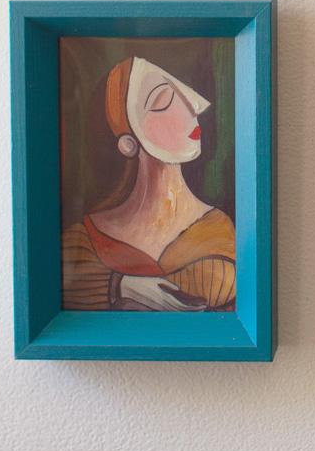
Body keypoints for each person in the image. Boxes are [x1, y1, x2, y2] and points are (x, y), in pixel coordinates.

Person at [62, 56, 236, 311]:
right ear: (128, 144)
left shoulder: (221, 230)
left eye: (183, 94)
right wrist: (122, 286)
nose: (193, 107)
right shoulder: (83, 241)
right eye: (163, 101)